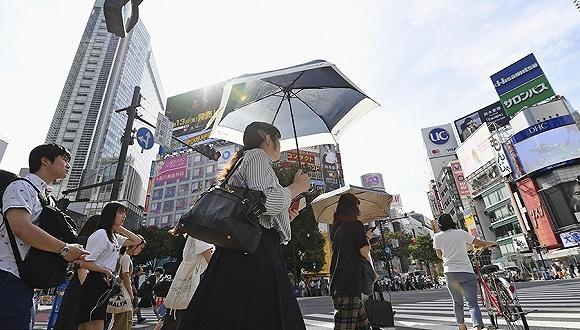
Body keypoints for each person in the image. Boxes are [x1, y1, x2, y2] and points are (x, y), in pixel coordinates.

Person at [178, 121, 310, 330]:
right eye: (279, 140)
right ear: (268, 138)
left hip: (242, 247)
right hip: (256, 250)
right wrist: (296, 187)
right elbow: (264, 201)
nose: (280, 146)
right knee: (260, 312)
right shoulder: (257, 156)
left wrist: (286, 218)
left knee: (232, 312)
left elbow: (258, 210)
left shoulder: (245, 160)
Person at [0, 144, 88, 329]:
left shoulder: (45, 196)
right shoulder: (21, 187)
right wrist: (64, 248)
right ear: (45, 160)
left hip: (21, 278)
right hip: (7, 274)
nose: (68, 165)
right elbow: (20, 227)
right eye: (64, 159)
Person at [76, 201, 143, 330]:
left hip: (104, 283)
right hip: (95, 281)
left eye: (125, 213)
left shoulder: (114, 237)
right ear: (110, 214)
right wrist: (105, 270)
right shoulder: (101, 234)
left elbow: (137, 241)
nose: (124, 216)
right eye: (120, 212)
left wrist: (119, 227)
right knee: (94, 321)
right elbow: (84, 262)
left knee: (92, 321)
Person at [433, 213, 497, 330]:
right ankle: (477, 326)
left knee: (457, 302)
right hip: (466, 271)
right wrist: (491, 243)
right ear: (451, 221)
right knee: (472, 302)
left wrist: (448, 258)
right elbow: (480, 243)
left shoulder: (437, 236)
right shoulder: (461, 233)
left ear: (440, 225)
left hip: (450, 273)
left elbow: (439, 254)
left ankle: (462, 326)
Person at [329, 193, 373, 330]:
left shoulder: (335, 227)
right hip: (350, 282)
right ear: (353, 209)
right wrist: (367, 238)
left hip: (338, 280)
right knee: (344, 326)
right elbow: (364, 252)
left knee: (363, 325)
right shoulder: (356, 225)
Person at [158, 225, 213, 330]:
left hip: (185, 279)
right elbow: (210, 261)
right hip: (192, 280)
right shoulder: (199, 232)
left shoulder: (193, 232)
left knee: (175, 318)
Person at [54, 215, 102, 330]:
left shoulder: (85, 239)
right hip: (81, 287)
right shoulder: (85, 240)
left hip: (81, 286)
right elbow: (81, 267)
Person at [110, 235, 146, 330]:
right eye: (141, 248)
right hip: (123, 292)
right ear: (134, 245)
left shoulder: (122, 256)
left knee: (121, 321)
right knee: (123, 322)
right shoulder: (126, 257)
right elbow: (126, 276)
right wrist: (131, 294)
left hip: (118, 292)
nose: (140, 251)